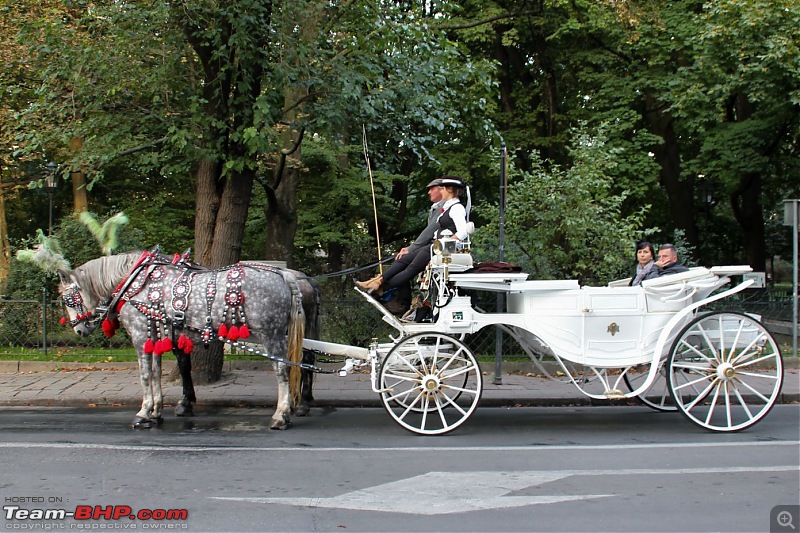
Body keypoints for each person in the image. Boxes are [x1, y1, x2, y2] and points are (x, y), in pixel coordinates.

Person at [356, 177, 469, 307]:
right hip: (435, 246)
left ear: (449, 190)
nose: (441, 191)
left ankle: (381, 288)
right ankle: (377, 281)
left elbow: (463, 231)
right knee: (404, 259)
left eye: (442, 188)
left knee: (411, 268)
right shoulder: (449, 206)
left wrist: (445, 243)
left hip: (442, 248)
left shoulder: (457, 208)